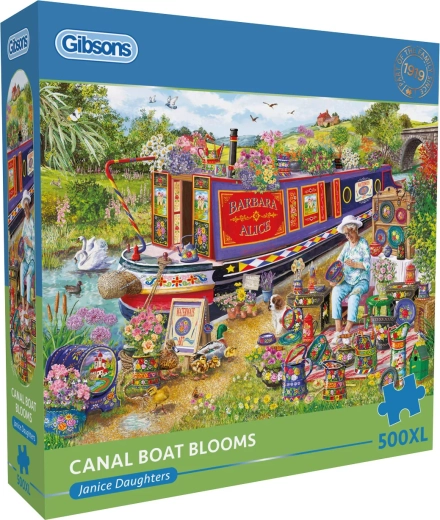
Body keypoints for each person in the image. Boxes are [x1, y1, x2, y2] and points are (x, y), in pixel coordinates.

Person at [330, 215, 371, 345]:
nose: (347, 237)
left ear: (355, 230)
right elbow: (338, 262)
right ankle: (338, 331)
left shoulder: (363, 243)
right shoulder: (347, 245)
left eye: (349, 233)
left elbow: (367, 265)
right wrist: (333, 278)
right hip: (347, 281)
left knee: (353, 297)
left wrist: (354, 264)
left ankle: (347, 331)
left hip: (361, 281)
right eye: (346, 234)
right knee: (336, 292)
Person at [20, 190, 35, 312]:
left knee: (29, 277)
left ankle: (27, 304)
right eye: (24, 211)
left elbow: (35, 243)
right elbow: (22, 236)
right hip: (26, 257)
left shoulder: (32, 221)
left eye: (27, 209)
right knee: (21, 272)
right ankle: (22, 301)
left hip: (33, 259)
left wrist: (30, 243)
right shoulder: (25, 221)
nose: (26, 212)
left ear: (29, 208)